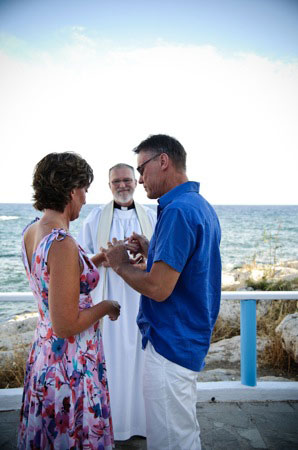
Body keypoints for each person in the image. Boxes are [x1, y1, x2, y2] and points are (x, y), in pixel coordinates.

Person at [103, 134, 222, 450]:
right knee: (183, 432)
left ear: (164, 161)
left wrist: (119, 264)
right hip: (187, 339)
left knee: (171, 440)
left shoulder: (177, 212)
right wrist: (153, 249)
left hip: (171, 343)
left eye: (142, 169)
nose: (140, 179)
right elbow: (185, 270)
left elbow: (158, 288)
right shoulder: (198, 205)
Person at [18, 152, 121, 449]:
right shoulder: (63, 242)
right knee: (73, 435)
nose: (86, 199)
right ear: (72, 190)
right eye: (85, 190)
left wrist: (94, 261)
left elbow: (52, 280)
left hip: (44, 353)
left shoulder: (32, 231)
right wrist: (107, 306)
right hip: (69, 363)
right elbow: (66, 325)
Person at [77, 163, 156, 440]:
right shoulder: (95, 218)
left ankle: (141, 423)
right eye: (116, 182)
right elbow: (82, 261)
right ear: (109, 186)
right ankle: (115, 424)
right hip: (109, 298)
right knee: (112, 359)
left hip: (141, 296)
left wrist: (142, 256)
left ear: (136, 182)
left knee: (141, 358)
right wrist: (110, 256)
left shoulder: (152, 216)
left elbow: (160, 258)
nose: (122, 185)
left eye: (126, 180)